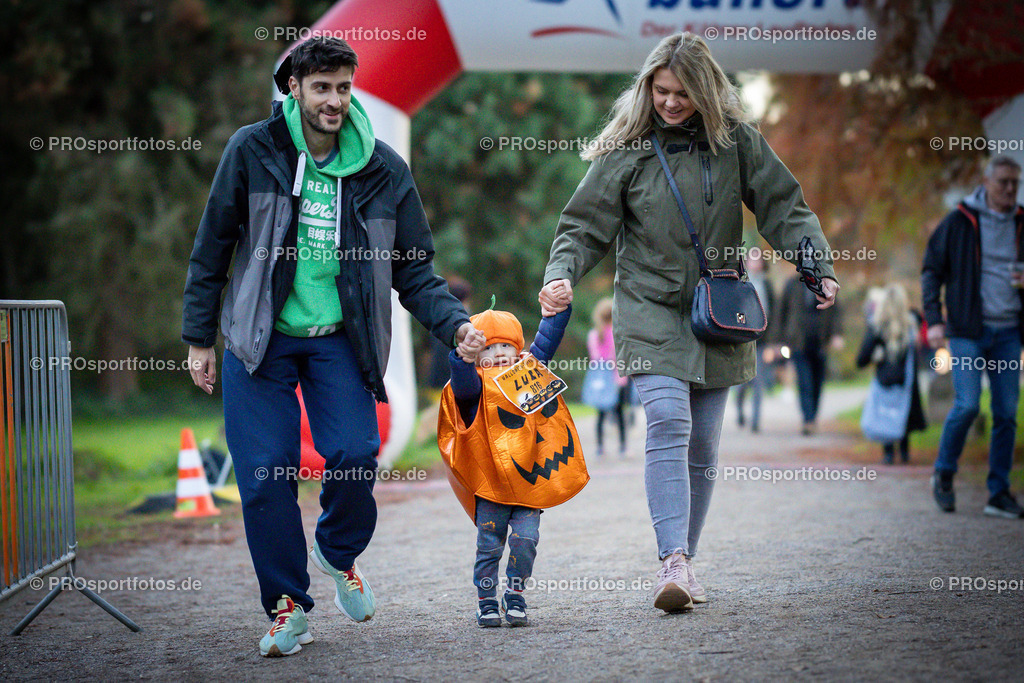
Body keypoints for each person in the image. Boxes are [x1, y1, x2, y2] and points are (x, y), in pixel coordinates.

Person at [181, 37, 476, 656]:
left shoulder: (383, 169)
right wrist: (198, 337)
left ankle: (337, 551)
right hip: (259, 340)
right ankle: (287, 607)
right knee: (265, 475)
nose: (334, 101)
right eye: (322, 88)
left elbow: (415, 270)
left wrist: (456, 326)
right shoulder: (253, 150)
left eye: (343, 88)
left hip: (339, 339)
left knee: (355, 453)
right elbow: (212, 247)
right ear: (294, 88)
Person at [537, 32, 839, 613]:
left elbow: (784, 206)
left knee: (702, 442)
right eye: (661, 90)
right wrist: (561, 274)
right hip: (647, 306)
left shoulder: (737, 142)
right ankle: (672, 560)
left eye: (683, 92)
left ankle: (685, 563)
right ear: (648, 87)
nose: (671, 102)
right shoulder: (627, 148)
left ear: (706, 91)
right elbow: (583, 225)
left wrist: (815, 267)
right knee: (669, 420)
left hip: (718, 310)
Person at [437, 305, 586, 627]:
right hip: (490, 488)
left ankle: (515, 594)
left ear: (517, 348)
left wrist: (558, 310)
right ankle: (486, 600)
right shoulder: (474, 387)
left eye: (506, 345)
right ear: (477, 355)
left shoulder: (527, 375)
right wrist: (462, 359)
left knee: (526, 540)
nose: (499, 353)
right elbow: (462, 384)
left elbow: (546, 342)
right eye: (489, 348)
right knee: (489, 546)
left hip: (528, 483)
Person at [922, 154, 1024, 519]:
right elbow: (931, 270)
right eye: (1003, 182)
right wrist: (934, 320)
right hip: (968, 330)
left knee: (1006, 412)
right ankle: (944, 473)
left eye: (1015, 183)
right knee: (967, 405)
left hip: (1010, 332)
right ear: (986, 182)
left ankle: (998, 493)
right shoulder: (959, 221)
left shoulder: (1022, 222)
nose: (1010, 189)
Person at [855, 284, 926, 464]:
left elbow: (861, 359)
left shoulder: (877, 327)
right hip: (907, 382)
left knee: (886, 415)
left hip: (884, 381)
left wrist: (876, 357)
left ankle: (888, 453)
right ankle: (904, 452)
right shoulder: (912, 325)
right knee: (904, 412)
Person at [778, 272, 845, 435]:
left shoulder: (827, 282)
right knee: (804, 382)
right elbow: (781, 312)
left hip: (821, 341)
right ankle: (808, 420)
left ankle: (812, 417)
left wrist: (837, 334)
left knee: (817, 383)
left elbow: (836, 311)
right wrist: (779, 339)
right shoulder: (792, 284)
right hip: (798, 342)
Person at [734, 251, 776, 433]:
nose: (755, 262)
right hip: (742, 339)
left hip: (762, 340)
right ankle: (740, 410)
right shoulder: (740, 283)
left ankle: (756, 421)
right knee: (742, 382)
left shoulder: (767, 284)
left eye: (758, 259)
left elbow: (774, 312)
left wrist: (773, 340)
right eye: (752, 259)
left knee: (759, 381)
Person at [587, 298, 630, 457]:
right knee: (620, 414)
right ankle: (623, 448)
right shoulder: (616, 332)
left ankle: (600, 448)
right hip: (617, 378)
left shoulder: (593, 334)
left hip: (600, 379)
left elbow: (594, 357)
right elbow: (617, 356)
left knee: (600, 414)